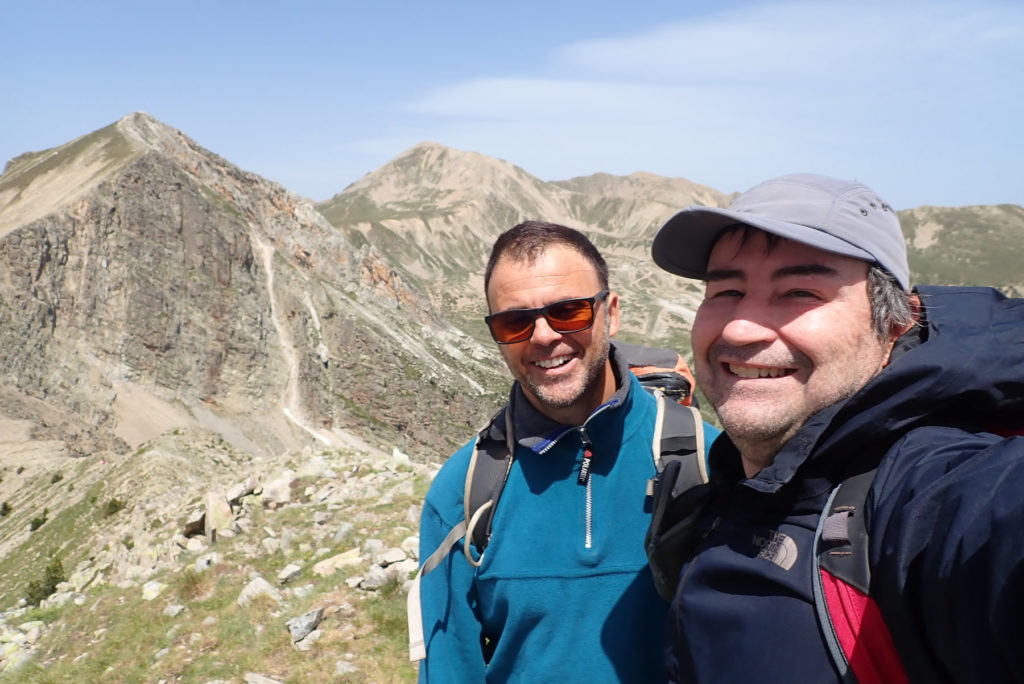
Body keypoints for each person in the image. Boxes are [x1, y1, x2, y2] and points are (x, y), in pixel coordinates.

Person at [648, 172, 1024, 683]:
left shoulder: (923, 488)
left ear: (895, 324)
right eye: (727, 290)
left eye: (800, 291)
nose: (739, 327)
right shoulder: (735, 489)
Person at [415, 220, 720, 683]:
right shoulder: (463, 491)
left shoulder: (709, 460)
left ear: (611, 313)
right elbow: (449, 670)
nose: (542, 336)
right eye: (514, 321)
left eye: (569, 312)